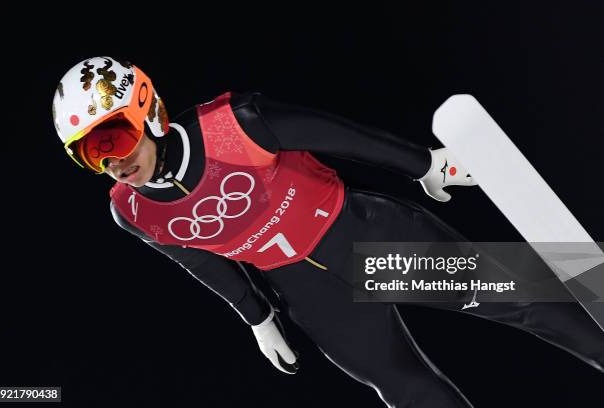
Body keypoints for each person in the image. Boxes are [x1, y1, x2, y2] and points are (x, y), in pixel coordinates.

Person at [52, 56, 604, 407]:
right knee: (405, 389)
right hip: (311, 293)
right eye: (88, 155)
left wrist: (424, 164)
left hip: (367, 241)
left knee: (522, 298)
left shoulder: (232, 124)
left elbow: (341, 136)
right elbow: (199, 259)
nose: (112, 163)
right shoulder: (131, 210)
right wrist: (258, 316)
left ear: (145, 109)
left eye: (113, 140)